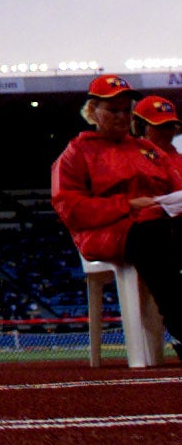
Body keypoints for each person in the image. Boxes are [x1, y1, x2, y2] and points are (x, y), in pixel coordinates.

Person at [51, 75, 182, 356]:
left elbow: (176, 187)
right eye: (113, 110)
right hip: (107, 233)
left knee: (160, 236)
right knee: (154, 237)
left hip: (155, 224)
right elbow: (71, 210)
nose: (122, 116)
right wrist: (128, 205)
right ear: (92, 111)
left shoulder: (147, 149)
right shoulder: (76, 153)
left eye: (126, 109)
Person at [134, 95, 182, 183]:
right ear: (140, 128)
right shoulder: (129, 158)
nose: (166, 132)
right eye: (160, 126)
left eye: (170, 127)